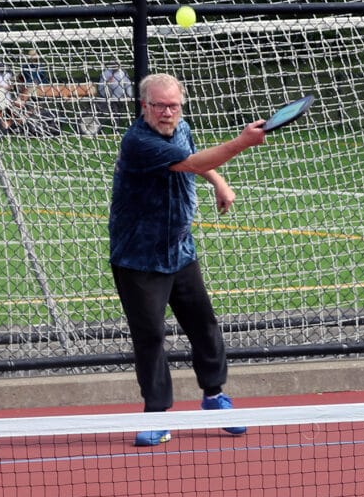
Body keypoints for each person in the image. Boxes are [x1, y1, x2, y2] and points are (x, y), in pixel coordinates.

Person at [108, 73, 266, 447]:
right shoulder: (139, 142)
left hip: (180, 249)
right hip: (139, 258)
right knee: (150, 337)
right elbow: (191, 163)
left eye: (174, 105)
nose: (167, 113)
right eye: (160, 105)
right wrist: (243, 141)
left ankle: (214, 396)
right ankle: (156, 414)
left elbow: (192, 155)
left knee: (204, 325)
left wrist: (220, 183)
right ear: (144, 106)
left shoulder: (181, 127)